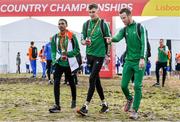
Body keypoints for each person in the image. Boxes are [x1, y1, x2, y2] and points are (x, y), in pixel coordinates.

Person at [106, 8, 147, 119]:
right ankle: (129, 98)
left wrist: (142, 58)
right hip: (128, 61)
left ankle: (134, 110)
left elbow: (144, 44)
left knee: (137, 86)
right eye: (121, 18)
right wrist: (111, 39)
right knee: (123, 85)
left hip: (139, 61)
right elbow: (117, 38)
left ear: (130, 15)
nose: (123, 20)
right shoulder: (124, 30)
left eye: (124, 17)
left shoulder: (140, 27)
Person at [77, 3, 111, 116]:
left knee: (92, 78)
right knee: (96, 81)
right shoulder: (86, 24)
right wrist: (84, 42)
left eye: (93, 12)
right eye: (90, 12)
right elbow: (82, 38)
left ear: (98, 11)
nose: (91, 14)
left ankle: (85, 106)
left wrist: (108, 55)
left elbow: (108, 40)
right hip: (89, 55)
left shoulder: (103, 24)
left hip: (100, 55)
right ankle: (105, 104)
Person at [49, 19, 80, 113]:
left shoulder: (71, 35)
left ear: (66, 25)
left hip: (69, 64)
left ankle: (74, 99)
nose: (60, 25)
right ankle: (57, 105)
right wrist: (54, 59)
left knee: (71, 82)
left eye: (62, 23)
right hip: (59, 63)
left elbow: (77, 50)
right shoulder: (55, 37)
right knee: (56, 82)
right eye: (59, 24)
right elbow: (53, 50)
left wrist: (68, 54)